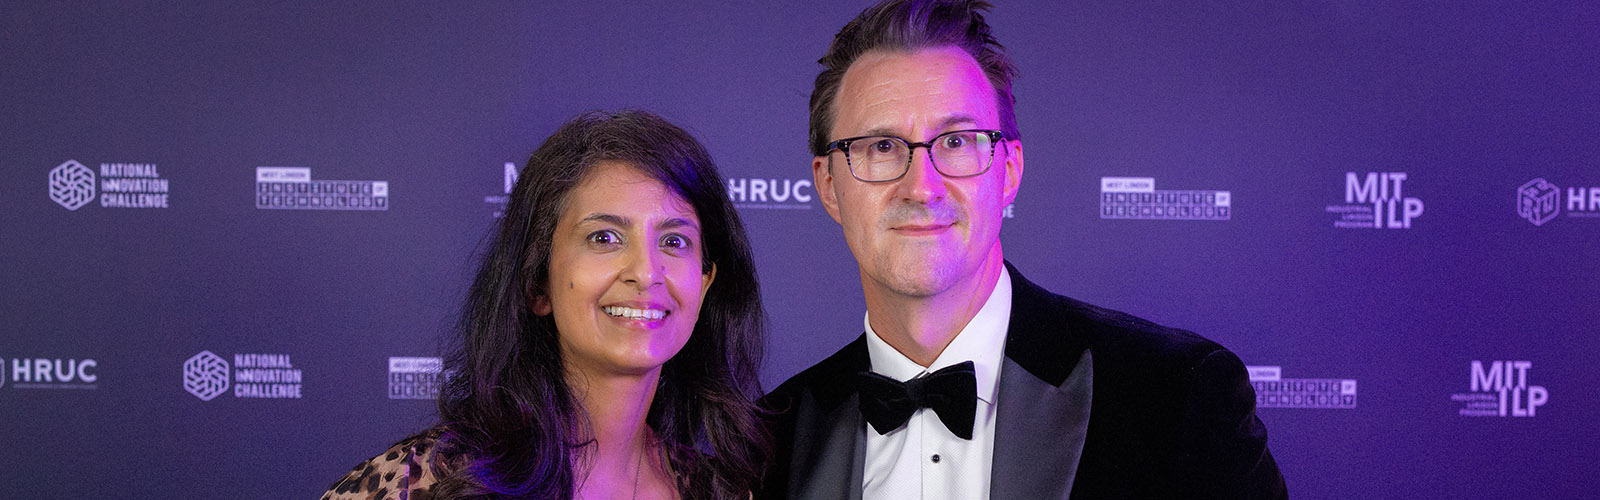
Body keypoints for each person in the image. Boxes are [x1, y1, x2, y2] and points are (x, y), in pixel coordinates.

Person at [757, 1, 1287, 499]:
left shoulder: (1176, 395)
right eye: (880, 147)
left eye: (958, 142)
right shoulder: (768, 440)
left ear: (1008, 170)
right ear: (828, 185)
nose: (922, 187)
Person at [325, 110, 768, 500]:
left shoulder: (718, 491)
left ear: (705, 281)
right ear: (539, 282)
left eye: (674, 241)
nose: (646, 272)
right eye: (605, 238)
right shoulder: (421, 483)